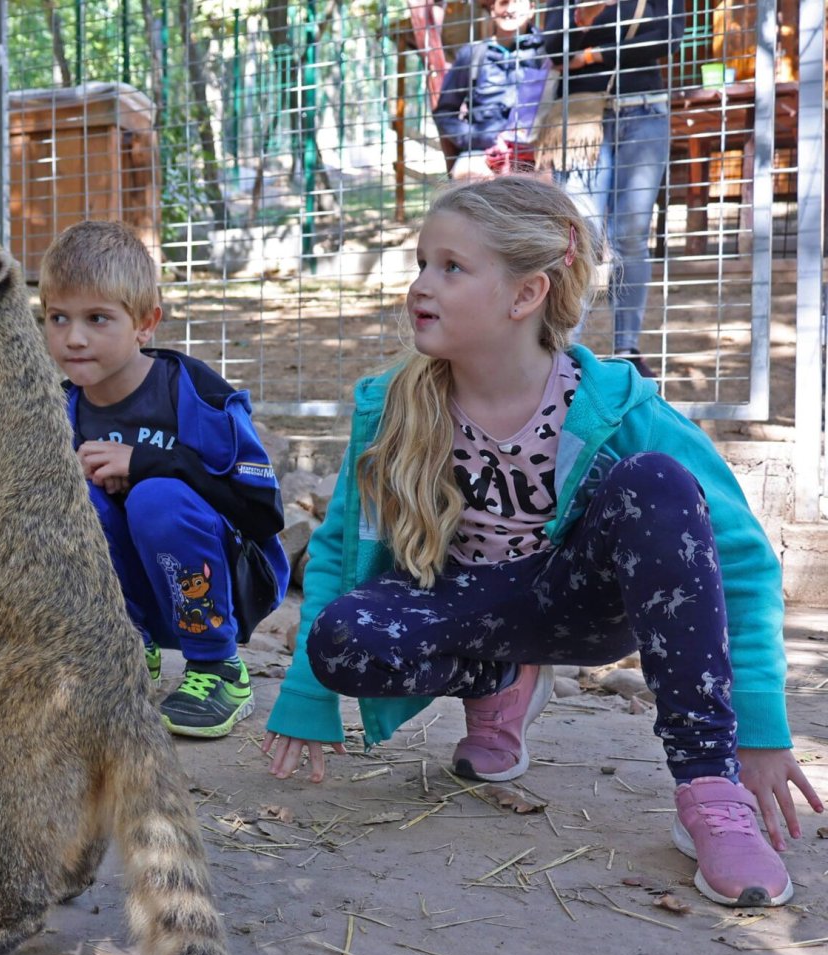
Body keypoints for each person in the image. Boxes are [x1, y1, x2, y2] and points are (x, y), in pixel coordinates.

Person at [261, 175, 820, 907]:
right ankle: (500, 684)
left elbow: (740, 560)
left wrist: (760, 730)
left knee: (657, 481)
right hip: (468, 605)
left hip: (582, 605)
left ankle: (709, 787)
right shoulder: (392, 407)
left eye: (452, 268)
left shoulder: (618, 410)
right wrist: (308, 694)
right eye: (422, 263)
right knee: (344, 637)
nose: (422, 285)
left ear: (525, 296)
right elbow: (338, 546)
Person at [41, 221, 289, 738]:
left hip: (230, 581)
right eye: (57, 317)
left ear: (145, 323)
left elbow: (263, 513)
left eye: (98, 318)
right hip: (138, 589)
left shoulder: (196, 394)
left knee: (157, 497)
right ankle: (124, 652)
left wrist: (152, 463)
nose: (74, 337)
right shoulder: (58, 409)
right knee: (68, 495)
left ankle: (217, 668)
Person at [538, 0, 682, 376]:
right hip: (581, 116)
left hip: (644, 111)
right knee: (580, 234)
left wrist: (590, 53)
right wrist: (581, 18)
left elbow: (667, 37)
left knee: (631, 234)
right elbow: (554, 47)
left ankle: (627, 348)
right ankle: (562, 350)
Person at [433, 0, 549, 179]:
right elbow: (444, 114)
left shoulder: (548, 52)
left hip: (536, 152)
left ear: (532, 8)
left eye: (517, 2)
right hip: (483, 153)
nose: (510, 9)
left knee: (548, 185)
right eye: (503, 2)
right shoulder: (473, 54)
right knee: (467, 175)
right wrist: (482, 138)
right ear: (492, 9)